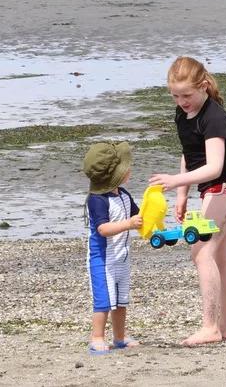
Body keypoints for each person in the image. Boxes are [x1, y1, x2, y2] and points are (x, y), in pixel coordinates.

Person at [150, 56, 226, 346]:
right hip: (212, 189)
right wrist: (182, 195)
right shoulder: (183, 114)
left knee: (201, 253)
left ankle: (210, 327)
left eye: (187, 95)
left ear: (203, 86)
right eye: (175, 96)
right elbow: (190, 155)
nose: (182, 102)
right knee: (221, 257)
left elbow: (215, 167)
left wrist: (175, 181)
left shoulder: (214, 117)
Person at [83, 141, 143, 356]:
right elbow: (103, 229)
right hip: (102, 259)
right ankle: (97, 337)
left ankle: (119, 336)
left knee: (121, 300)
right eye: (125, 168)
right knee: (103, 301)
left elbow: (138, 217)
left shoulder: (124, 195)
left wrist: (154, 228)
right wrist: (128, 224)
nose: (129, 170)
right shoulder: (98, 200)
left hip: (122, 258)